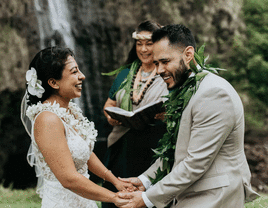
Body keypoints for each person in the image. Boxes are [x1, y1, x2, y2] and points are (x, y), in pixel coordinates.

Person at [118, 24, 259, 208]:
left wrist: (147, 198)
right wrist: (145, 180)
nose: (159, 70)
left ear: (188, 54)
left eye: (165, 61)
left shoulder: (213, 93)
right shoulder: (186, 88)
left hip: (214, 196)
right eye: (156, 63)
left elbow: (195, 163)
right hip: (194, 194)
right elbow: (176, 149)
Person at [20, 46, 134, 208]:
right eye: (74, 72)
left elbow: (84, 152)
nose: (82, 76)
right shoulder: (48, 120)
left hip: (83, 199)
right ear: (53, 82)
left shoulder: (70, 111)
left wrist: (115, 181)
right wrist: (114, 197)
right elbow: (68, 179)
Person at [102, 20, 169, 208]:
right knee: (118, 195)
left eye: (149, 43)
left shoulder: (167, 72)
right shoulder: (125, 73)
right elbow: (109, 103)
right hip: (122, 145)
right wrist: (110, 116)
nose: (144, 49)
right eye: (139, 44)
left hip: (154, 147)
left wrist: (167, 115)